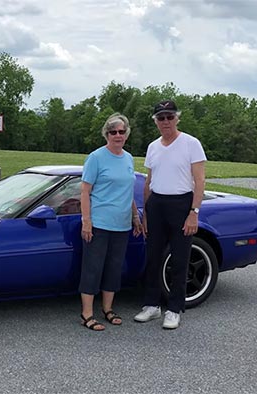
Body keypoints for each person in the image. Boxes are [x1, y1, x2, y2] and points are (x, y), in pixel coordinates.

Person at [134, 100, 206, 330]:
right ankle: (152, 306)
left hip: (181, 202)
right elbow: (148, 181)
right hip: (156, 203)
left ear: (177, 118)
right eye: (161, 118)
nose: (165, 121)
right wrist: (145, 212)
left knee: (179, 259)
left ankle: (174, 309)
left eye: (169, 117)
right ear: (156, 121)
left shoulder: (191, 144)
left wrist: (193, 212)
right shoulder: (153, 146)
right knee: (153, 257)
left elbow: (200, 180)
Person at [79, 113, 143, 331]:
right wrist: (86, 221)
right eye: (113, 132)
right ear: (106, 134)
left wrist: (135, 216)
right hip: (99, 223)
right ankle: (87, 313)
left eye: (121, 131)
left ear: (126, 134)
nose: (117, 135)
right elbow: (85, 191)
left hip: (122, 224)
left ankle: (108, 309)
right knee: (92, 268)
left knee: (114, 269)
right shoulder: (96, 158)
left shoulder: (128, 158)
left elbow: (128, 192)